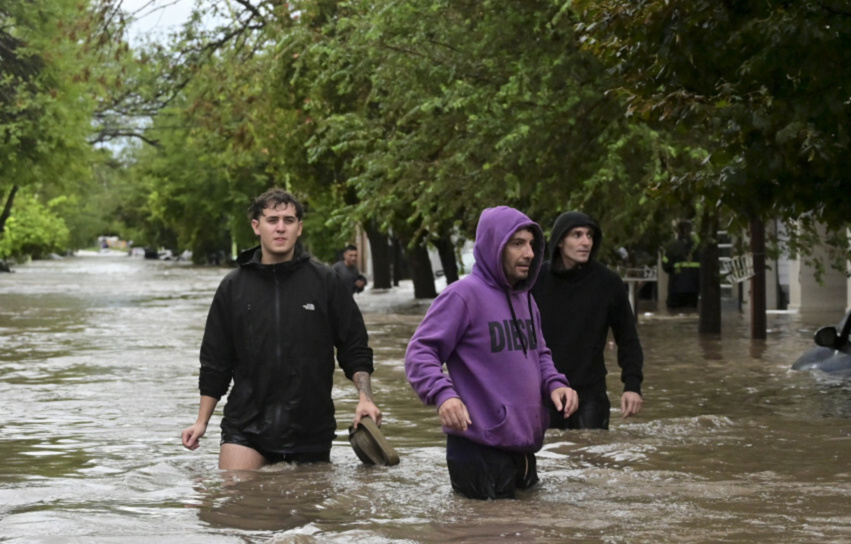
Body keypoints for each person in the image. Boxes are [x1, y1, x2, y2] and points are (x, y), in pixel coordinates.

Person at [181, 188, 381, 470]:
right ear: (256, 226)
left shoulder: (326, 282)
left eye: (288, 220)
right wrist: (201, 422)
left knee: (305, 511)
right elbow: (216, 362)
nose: (280, 227)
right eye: (272, 219)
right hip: (246, 426)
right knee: (235, 500)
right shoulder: (233, 287)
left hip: (311, 427)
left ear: (299, 228)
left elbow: (354, 347)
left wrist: (365, 399)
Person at [404, 206, 578, 500]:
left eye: (532, 245)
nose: (529, 254)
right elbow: (420, 352)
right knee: (484, 542)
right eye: (517, 244)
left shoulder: (526, 299)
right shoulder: (462, 296)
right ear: (493, 246)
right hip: (477, 450)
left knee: (529, 541)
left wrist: (556, 384)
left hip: (522, 448)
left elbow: (540, 354)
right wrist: (443, 394)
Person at [532, 211, 644, 429]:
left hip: (590, 393)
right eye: (577, 235)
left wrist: (632, 385)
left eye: (590, 235)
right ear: (560, 241)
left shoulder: (608, 283)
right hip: (543, 391)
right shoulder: (535, 281)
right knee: (548, 459)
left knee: (592, 458)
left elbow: (628, 338)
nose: (586, 242)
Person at [663, 219, 700, 309]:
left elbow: (665, 265)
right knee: (692, 316)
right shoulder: (697, 247)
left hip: (676, 288)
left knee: (674, 315)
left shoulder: (672, 246)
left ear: (678, 230)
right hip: (693, 289)